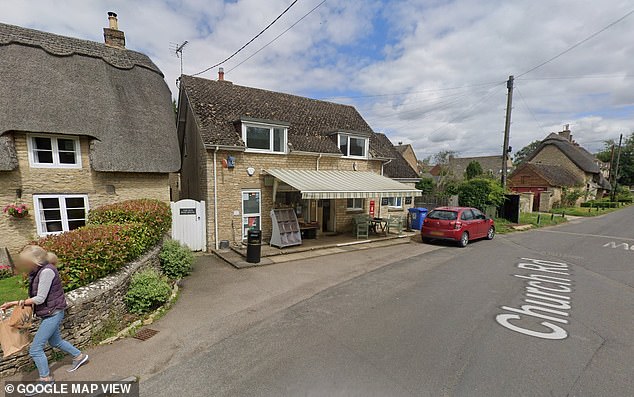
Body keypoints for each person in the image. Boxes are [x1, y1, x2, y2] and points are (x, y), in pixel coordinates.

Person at [1, 246, 88, 393]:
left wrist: (14, 303)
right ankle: (79, 356)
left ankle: (46, 380)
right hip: (50, 312)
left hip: (53, 313)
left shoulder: (46, 271)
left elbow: (40, 299)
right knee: (55, 341)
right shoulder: (38, 271)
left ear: (33, 261)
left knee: (35, 350)